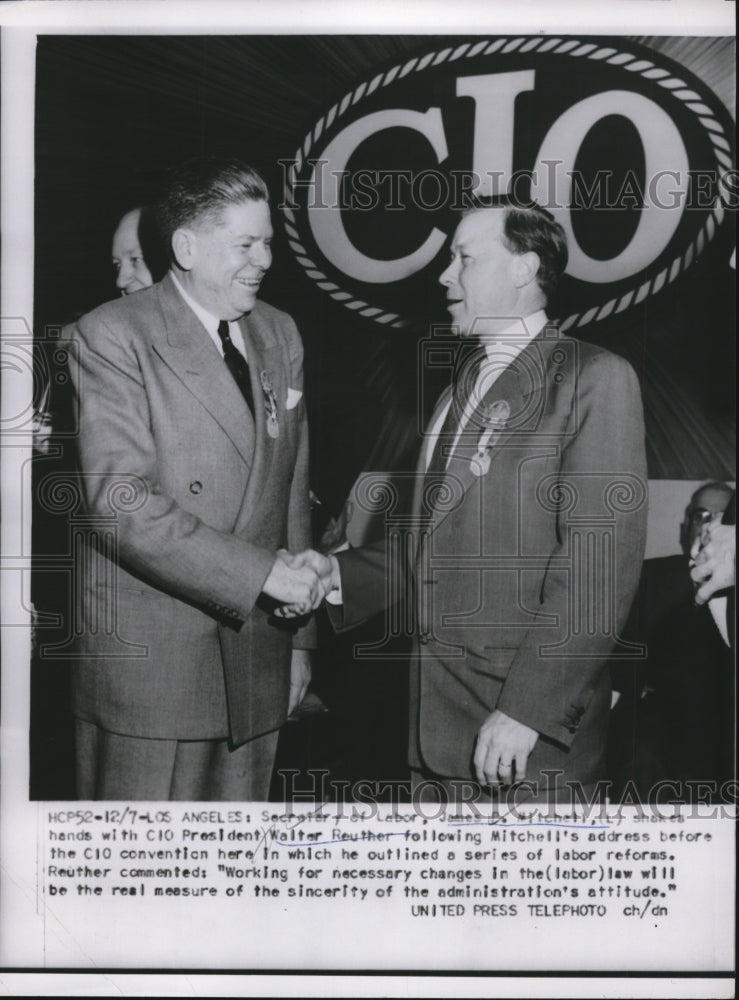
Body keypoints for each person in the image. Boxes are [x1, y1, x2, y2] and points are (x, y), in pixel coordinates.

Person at [281, 197, 648, 802]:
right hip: (436, 731)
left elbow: (597, 568)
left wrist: (528, 711)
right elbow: (437, 549)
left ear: (524, 269)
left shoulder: (594, 377)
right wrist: (336, 573)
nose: (445, 275)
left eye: (464, 258)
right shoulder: (462, 388)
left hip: (521, 744)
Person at [65, 157, 323, 800]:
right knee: (141, 882)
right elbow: (119, 504)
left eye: (267, 242)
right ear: (186, 247)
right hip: (153, 672)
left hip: (260, 656)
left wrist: (300, 643)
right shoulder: (112, 335)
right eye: (246, 244)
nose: (264, 259)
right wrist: (261, 575)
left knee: (230, 878)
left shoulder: (279, 332)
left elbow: (291, 483)